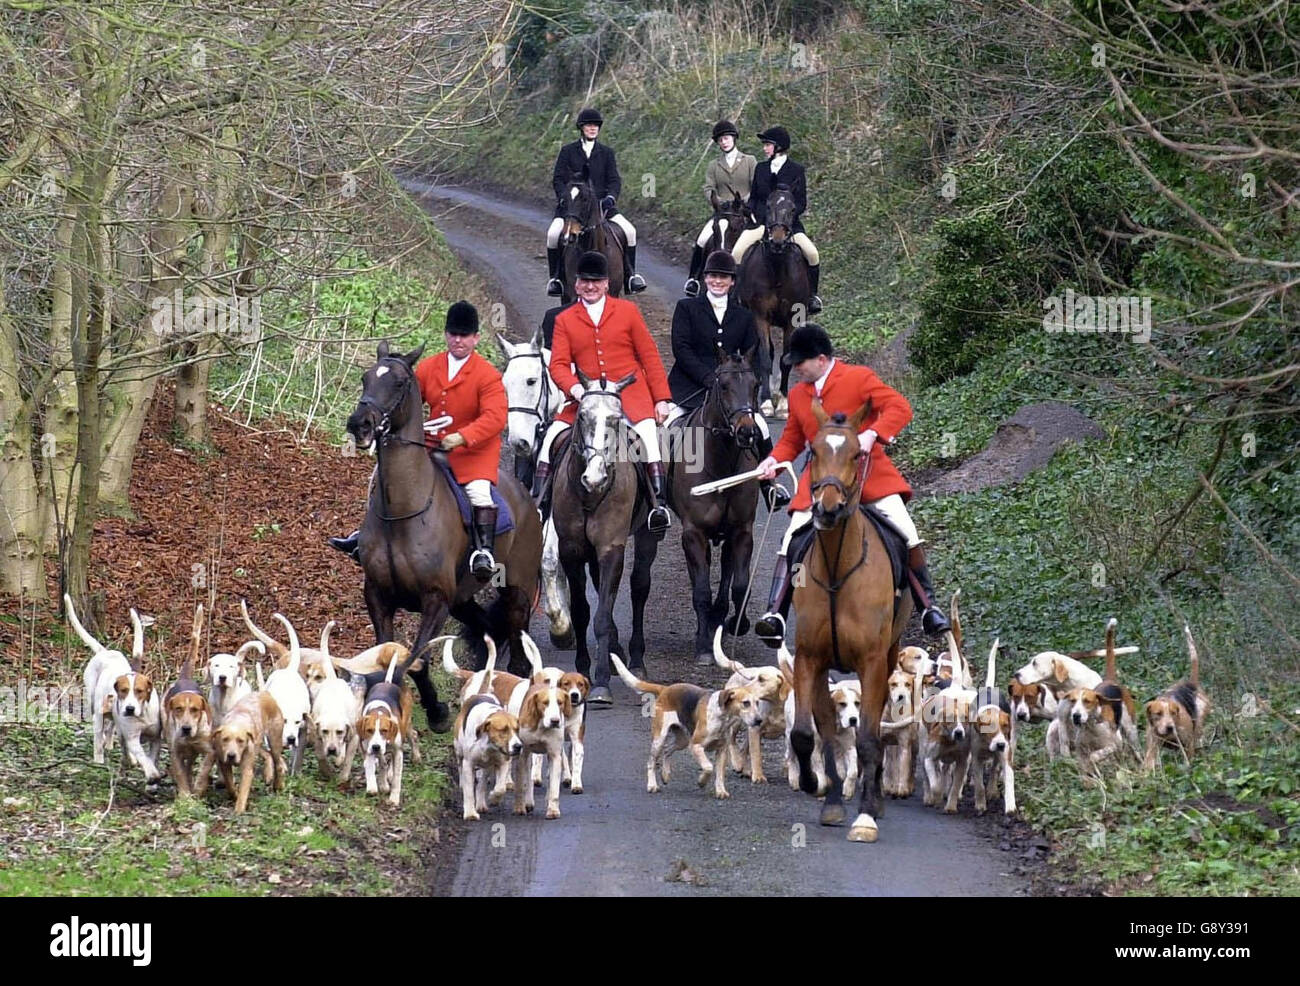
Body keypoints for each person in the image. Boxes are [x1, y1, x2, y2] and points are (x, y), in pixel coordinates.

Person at [751, 323, 950, 644]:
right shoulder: (798, 394)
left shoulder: (859, 378)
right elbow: (791, 439)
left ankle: (928, 606)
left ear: (821, 358)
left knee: (907, 533)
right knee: (791, 540)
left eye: (800, 363)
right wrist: (774, 460)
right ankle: (776, 610)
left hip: (869, 476)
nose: (796, 369)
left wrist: (873, 433)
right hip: (820, 483)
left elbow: (900, 407)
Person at [328, 301, 507, 582]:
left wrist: (462, 436)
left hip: (472, 455)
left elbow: (496, 417)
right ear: (446, 335)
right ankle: (365, 536)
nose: (458, 340)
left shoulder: (487, 375)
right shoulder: (429, 367)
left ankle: (483, 552)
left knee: (478, 493)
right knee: (385, 478)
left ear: (476, 338)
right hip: (431, 446)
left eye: (464, 335)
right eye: (453, 334)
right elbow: (405, 401)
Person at [532, 250, 673, 534]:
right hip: (585, 398)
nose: (590, 286)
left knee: (648, 438)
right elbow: (558, 364)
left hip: (630, 397)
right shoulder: (565, 319)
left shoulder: (627, 311)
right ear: (576, 285)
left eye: (596, 281)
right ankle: (540, 504)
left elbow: (649, 356)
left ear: (607, 284)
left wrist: (661, 398)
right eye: (585, 281)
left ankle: (658, 506)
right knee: (549, 440)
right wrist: (575, 389)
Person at [666, 249, 790, 509]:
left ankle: (770, 487)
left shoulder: (743, 316)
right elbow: (682, 349)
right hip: (691, 387)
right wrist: (708, 378)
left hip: (734, 393)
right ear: (705, 278)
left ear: (732, 281)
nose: (717, 281)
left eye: (723, 277)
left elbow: (752, 355)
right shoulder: (687, 308)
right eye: (712, 276)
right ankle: (660, 495)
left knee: (762, 427)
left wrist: (747, 386)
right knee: (667, 427)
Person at [545, 107, 646, 297]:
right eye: (589, 125)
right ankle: (556, 279)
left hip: (602, 207)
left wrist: (611, 197)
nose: (593, 128)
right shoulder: (568, 151)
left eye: (596, 126)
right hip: (573, 208)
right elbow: (558, 178)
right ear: (581, 128)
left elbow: (614, 179)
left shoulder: (606, 152)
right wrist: (564, 198)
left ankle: (630, 276)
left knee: (630, 231)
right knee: (553, 235)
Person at [730, 126, 823, 313]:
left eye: (767, 145)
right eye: (765, 145)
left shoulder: (796, 170)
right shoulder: (761, 168)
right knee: (736, 253)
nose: (764, 149)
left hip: (788, 226)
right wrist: (750, 209)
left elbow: (801, 202)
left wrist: (786, 219)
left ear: (779, 147)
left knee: (813, 254)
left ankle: (812, 297)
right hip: (762, 224)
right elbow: (756, 197)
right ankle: (736, 295)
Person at [684, 120, 756, 297]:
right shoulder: (713, 165)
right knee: (701, 240)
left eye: (726, 138)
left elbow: (756, 185)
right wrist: (717, 200)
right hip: (722, 214)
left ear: (733, 138)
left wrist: (745, 200)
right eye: (720, 140)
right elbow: (708, 188)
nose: (724, 142)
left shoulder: (749, 161)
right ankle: (693, 279)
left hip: (744, 213)